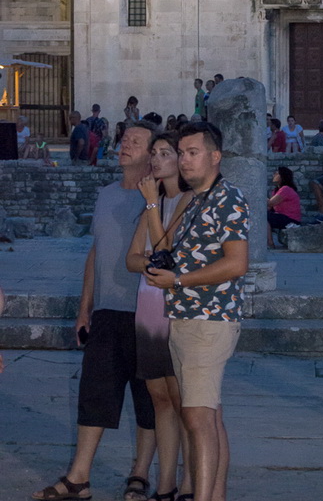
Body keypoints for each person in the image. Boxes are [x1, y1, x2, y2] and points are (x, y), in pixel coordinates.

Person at [33, 123, 158, 501]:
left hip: (147, 310)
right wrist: (84, 308)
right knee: (94, 391)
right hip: (106, 309)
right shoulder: (105, 195)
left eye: (135, 142)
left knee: (148, 398)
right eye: (124, 139)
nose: (125, 145)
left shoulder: (161, 197)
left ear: (152, 153)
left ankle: (140, 473)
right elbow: (95, 252)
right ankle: (79, 477)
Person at [144, 121, 249, 501]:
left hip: (210, 318)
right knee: (209, 416)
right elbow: (169, 246)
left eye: (193, 153)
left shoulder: (229, 199)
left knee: (197, 418)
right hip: (185, 318)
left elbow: (237, 263)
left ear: (215, 156)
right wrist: (155, 205)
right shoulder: (195, 201)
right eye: (182, 153)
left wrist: (177, 281)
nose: (185, 161)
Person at [126, 131, 193, 501]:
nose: (156, 159)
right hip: (149, 307)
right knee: (159, 397)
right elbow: (133, 257)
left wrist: (153, 204)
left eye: (165, 152)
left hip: (179, 309)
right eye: (155, 153)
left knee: (184, 400)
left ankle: (188, 484)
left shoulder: (188, 202)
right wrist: (149, 263)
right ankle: (165, 483)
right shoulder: (153, 202)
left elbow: (166, 251)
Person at [267, 165, 302, 248]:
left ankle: (270, 243)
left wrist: (259, 196)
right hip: (282, 217)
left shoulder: (286, 189)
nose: (274, 174)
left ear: (282, 176)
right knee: (261, 215)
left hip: (291, 220)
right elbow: (269, 207)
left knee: (264, 217)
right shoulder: (276, 190)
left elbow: (270, 203)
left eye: (277, 173)